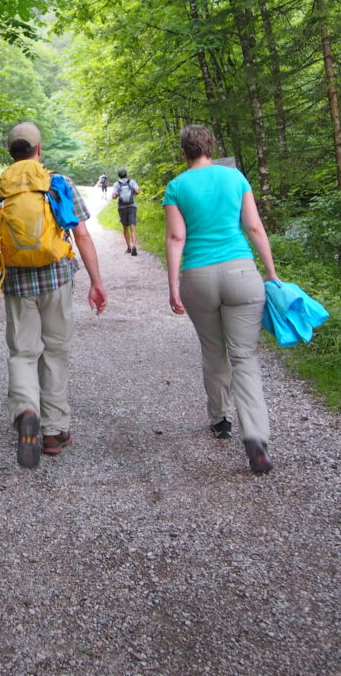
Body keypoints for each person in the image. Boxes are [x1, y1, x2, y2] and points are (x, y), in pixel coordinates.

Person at [0, 122, 108, 469]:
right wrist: (96, 282)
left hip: (18, 283)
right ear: (38, 150)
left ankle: (27, 411)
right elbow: (81, 236)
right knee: (55, 351)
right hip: (56, 278)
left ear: (10, 152)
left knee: (22, 352)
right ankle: (53, 432)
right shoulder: (57, 183)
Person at [162, 124, 279, 474]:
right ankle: (256, 437)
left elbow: (175, 237)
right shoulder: (235, 178)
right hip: (241, 274)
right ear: (211, 147)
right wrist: (271, 273)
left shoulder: (177, 186)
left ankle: (220, 420)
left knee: (214, 351)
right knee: (244, 356)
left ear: (184, 152)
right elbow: (254, 228)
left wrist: (172, 285)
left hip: (198, 277)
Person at [112, 167, 140, 255]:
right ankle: (134, 245)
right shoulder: (132, 182)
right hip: (132, 206)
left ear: (119, 175)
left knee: (125, 227)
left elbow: (113, 196)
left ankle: (129, 247)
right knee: (133, 227)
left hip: (122, 207)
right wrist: (132, 192)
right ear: (126, 174)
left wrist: (118, 194)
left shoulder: (116, 184)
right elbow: (137, 192)